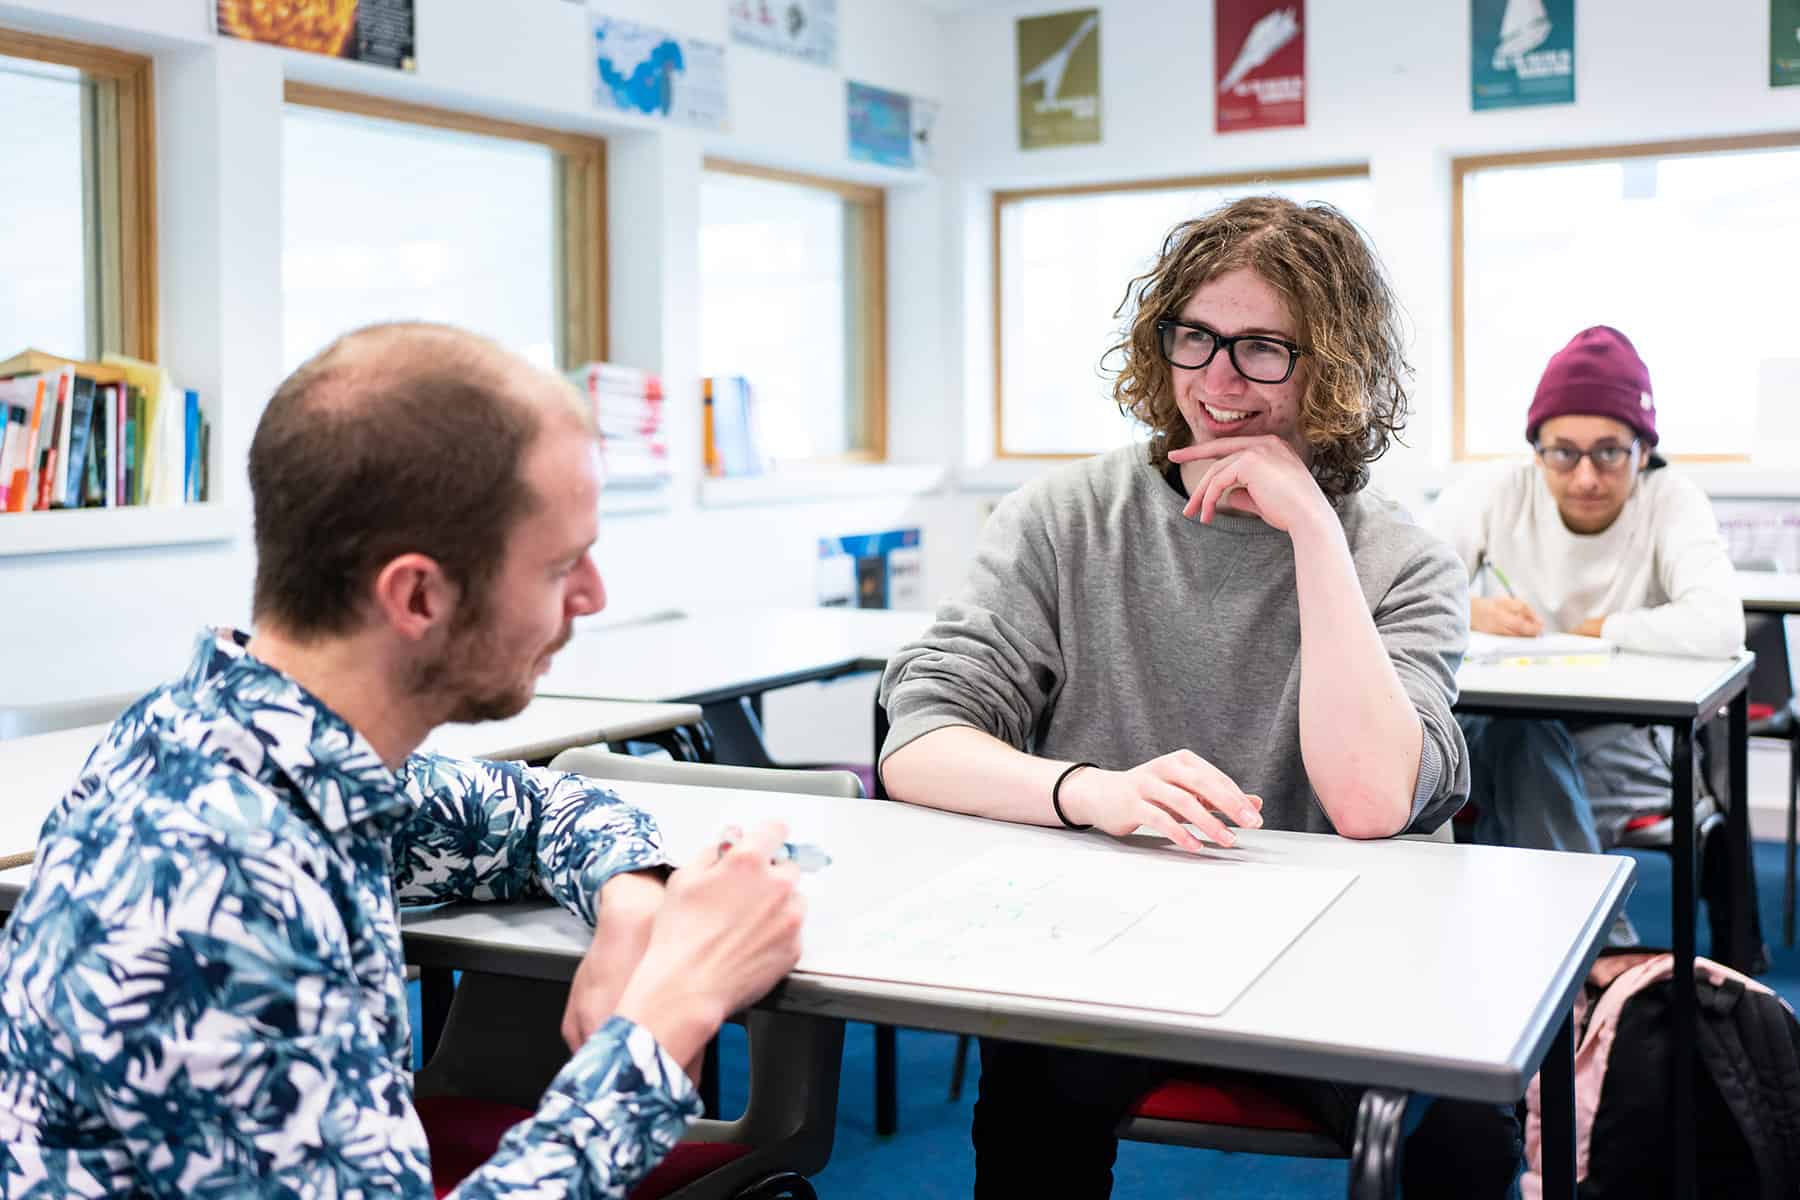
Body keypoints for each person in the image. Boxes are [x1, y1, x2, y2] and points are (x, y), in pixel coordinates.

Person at [0, 323, 805, 1197]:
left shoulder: (255, 745)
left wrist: (632, 894)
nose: (594, 595)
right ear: (417, 595)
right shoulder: (214, 889)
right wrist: (669, 1016)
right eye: (561, 565)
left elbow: (535, 810)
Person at [878, 196, 1517, 1197]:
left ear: (1332, 368)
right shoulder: (1062, 519)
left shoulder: (1401, 559)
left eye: (1264, 348)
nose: (1217, 382)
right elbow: (918, 745)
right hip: (1113, 945)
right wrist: (1088, 790)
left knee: (1463, 1137)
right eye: (1196, 339)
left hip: (1341, 955)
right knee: (1030, 1095)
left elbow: (1370, 802)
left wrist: (1311, 526)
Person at [1428, 325, 1746, 932]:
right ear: (1536, 449)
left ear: (1643, 451)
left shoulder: (1671, 500)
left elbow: (1720, 624)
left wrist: (1607, 628)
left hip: (1619, 744)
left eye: (1609, 452)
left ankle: (1555, 972)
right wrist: (1469, 608)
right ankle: (1604, 964)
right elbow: (1399, 592)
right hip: (1497, 733)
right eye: (1563, 452)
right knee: (1525, 744)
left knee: (1521, 784)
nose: (1585, 478)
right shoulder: (1494, 493)